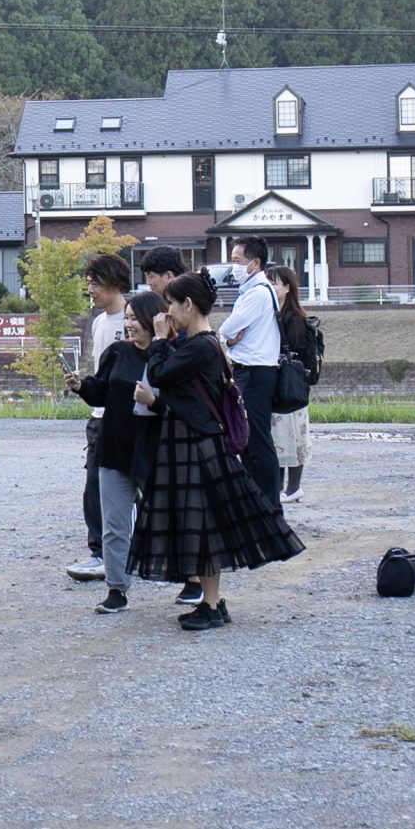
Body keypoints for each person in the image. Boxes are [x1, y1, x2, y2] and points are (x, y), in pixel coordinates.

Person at [130, 273, 303, 629]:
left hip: (196, 447)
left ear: (188, 306)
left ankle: (211, 604)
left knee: (204, 527)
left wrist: (160, 340)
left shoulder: (200, 346)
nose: (168, 313)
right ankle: (212, 602)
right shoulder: (200, 344)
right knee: (202, 527)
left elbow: (159, 375)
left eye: (172, 306)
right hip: (195, 444)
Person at [72, 289, 164, 614]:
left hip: (153, 450)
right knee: (114, 523)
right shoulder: (117, 353)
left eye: (134, 318)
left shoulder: (166, 354)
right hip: (114, 446)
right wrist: (82, 386)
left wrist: (154, 402)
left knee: (169, 517)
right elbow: (101, 393)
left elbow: (179, 404)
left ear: (154, 320)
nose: (128, 324)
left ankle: (193, 580)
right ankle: (116, 588)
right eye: (126, 317)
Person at [65, 254, 135, 582]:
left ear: (114, 282)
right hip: (99, 414)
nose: (89, 288)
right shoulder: (98, 322)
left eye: (95, 282)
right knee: (94, 486)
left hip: (130, 416)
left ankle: (130, 550)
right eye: (88, 282)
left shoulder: (133, 319)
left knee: (130, 486)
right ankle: (100, 552)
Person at [217, 236, 290, 509]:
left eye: (237, 261)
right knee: (247, 438)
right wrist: (231, 337)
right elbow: (232, 332)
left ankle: (270, 506)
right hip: (252, 371)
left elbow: (228, 328)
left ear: (255, 263)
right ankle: (258, 503)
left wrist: (228, 337)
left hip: (256, 373)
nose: (233, 266)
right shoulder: (252, 291)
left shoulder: (258, 292)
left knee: (256, 439)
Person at [264, 263, 317, 503]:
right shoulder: (273, 312)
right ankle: (282, 488)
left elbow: (296, 352)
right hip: (280, 384)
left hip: (291, 384)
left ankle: (293, 487)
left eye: (274, 283)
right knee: (279, 435)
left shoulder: (294, 317)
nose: (270, 287)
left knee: (293, 435)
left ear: (287, 287)